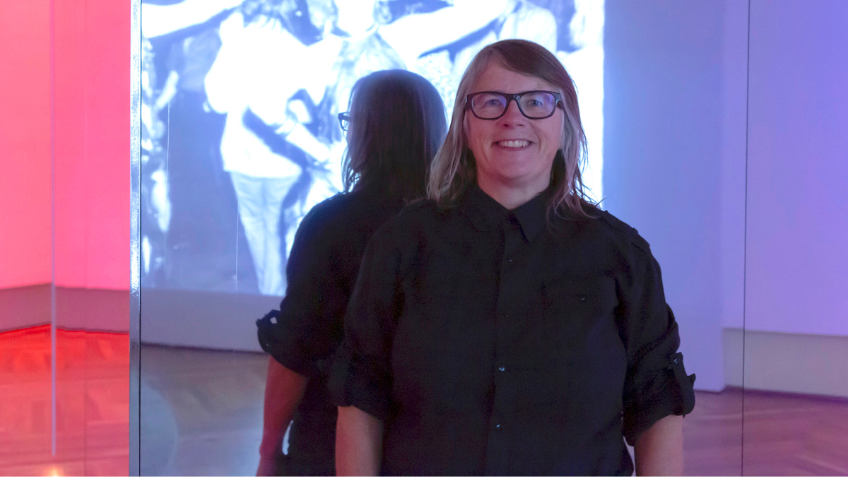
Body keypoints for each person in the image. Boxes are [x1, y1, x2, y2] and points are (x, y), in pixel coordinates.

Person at [330, 39, 696, 476]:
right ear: (465, 123)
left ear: (566, 121)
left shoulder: (622, 257)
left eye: (536, 101)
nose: (512, 118)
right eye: (491, 102)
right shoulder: (401, 245)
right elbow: (360, 397)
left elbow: (657, 405)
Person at [254, 69, 447, 475]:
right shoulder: (459, 225)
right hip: (432, 446)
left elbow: (296, 349)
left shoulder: (332, 225)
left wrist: (268, 452)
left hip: (329, 439)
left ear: (367, 133)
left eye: (350, 121)